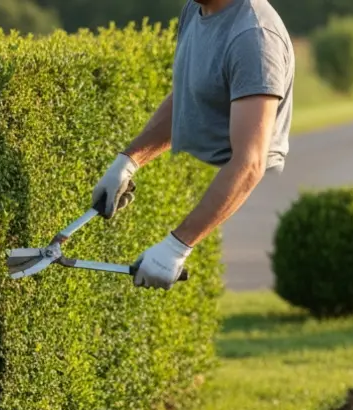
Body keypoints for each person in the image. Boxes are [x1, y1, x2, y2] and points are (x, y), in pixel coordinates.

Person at [90, 0, 294, 290]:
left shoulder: (254, 39)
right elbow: (189, 96)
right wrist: (128, 161)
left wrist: (176, 247)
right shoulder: (195, 10)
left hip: (241, 218)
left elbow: (249, 163)